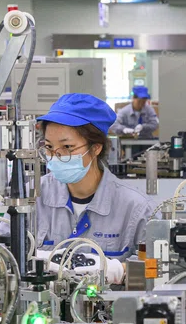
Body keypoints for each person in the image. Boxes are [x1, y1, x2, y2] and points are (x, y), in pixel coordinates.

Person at [35, 93, 155, 283]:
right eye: (49, 147)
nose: (56, 156)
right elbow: (1, 255)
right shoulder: (32, 196)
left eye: (67, 147)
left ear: (96, 148)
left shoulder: (135, 208)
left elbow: (159, 269)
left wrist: (120, 271)